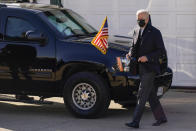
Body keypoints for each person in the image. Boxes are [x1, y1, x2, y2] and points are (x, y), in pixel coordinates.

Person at [125, 9, 167, 128]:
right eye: (138, 19)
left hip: (150, 68)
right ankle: (161, 117)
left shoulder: (155, 33)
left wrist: (147, 57)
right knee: (151, 94)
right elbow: (133, 47)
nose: (139, 21)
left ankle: (135, 122)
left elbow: (161, 51)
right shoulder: (136, 30)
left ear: (147, 19)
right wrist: (129, 54)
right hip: (139, 68)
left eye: (141, 19)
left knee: (142, 94)